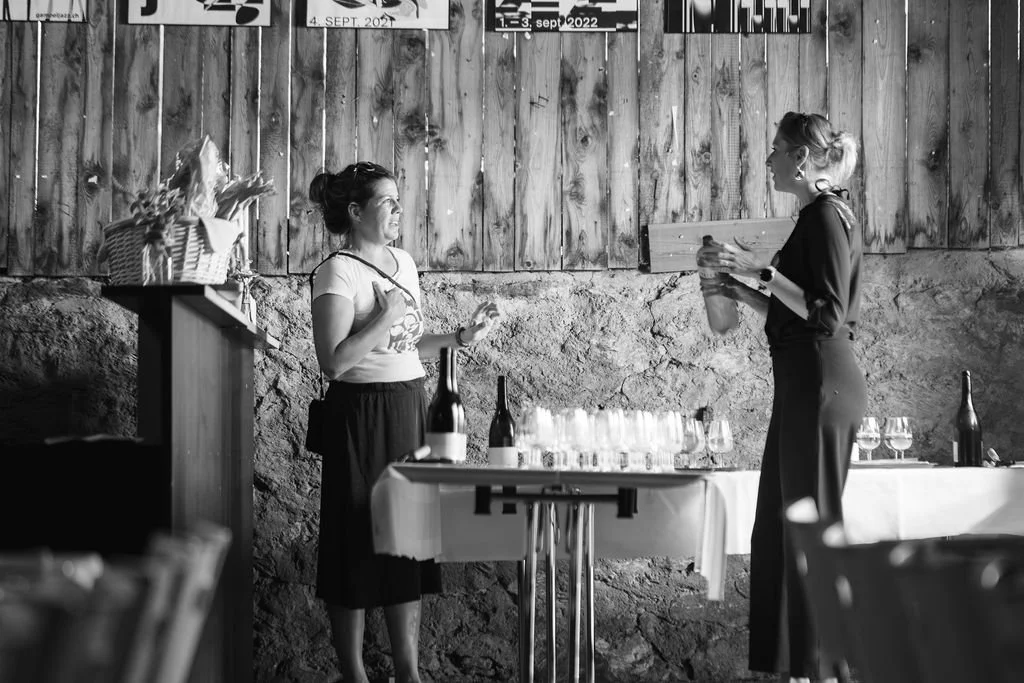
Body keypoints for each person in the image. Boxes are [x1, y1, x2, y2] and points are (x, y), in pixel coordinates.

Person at [308, 161, 500, 683]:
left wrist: (461, 338)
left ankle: (408, 673)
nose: (398, 209)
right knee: (354, 539)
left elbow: (409, 346)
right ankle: (354, 674)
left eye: (398, 200)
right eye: (387, 201)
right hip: (359, 414)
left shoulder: (405, 264)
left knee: (406, 540)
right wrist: (387, 316)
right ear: (356, 211)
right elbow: (334, 362)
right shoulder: (337, 272)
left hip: (407, 405)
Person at [698, 112, 866, 683]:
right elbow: (798, 313)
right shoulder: (818, 215)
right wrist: (738, 288)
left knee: (808, 531)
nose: (767, 160)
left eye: (775, 150)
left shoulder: (826, 215)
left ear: (800, 158)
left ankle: (826, 669)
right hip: (802, 384)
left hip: (820, 385)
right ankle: (801, 668)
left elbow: (828, 313)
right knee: (780, 526)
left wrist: (760, 268)